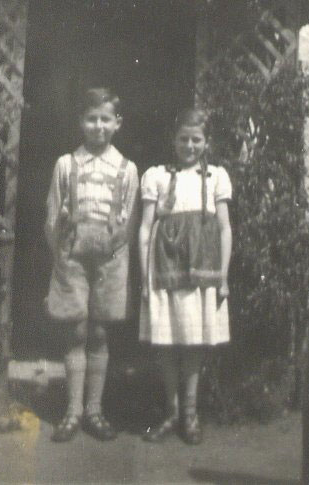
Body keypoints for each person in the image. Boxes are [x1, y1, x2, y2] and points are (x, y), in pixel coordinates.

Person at [44, 88, 139, 442]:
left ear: (117, 123)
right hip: (72, 257)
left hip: (110, 259)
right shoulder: (66, 165)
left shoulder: (127, 169)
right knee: (76, 331)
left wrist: (118, 252)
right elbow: (52, 217)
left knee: (99, 332)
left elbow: (131, 223)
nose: (98, 126)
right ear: (80, 122)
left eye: (105, 119)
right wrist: (60, 255)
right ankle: (73, 411)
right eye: (91, 119)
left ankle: (95, 410)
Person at [139, 108, 232, 445]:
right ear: (173, 140)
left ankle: (190, 414)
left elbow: (224, 228)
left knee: (194, 340)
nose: (189, 146)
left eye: (196, 139)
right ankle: (171, 411)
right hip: (164, 268)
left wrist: (223, 276)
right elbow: (145, 228)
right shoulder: (157, 176)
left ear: (207, 142)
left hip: (202, 270)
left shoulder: (216, 177)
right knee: (165, 341)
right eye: (183, 139)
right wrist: (144, 278)